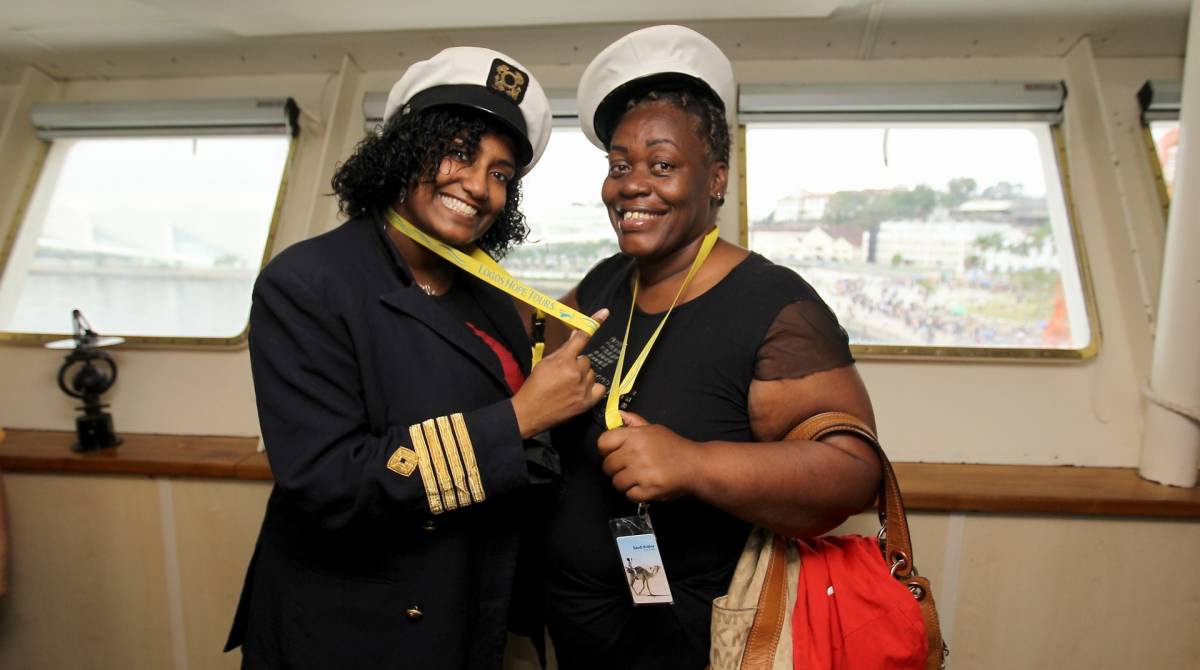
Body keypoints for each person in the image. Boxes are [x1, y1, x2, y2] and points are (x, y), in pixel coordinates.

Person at [225, 46, 606, 670]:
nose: (478, 186)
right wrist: (519, 419)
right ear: (405, 149)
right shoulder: (308, 282)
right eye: (459, 151)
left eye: (501, 173)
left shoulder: (490, 293)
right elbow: (328, 482)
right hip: (354, 629)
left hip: (471, 601)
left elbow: (515, 434)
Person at [540, 26, 883, 669]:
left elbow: (852, 472)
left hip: (696, 633)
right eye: (619, 166)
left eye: (662, 165)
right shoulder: (603, 283)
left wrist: (692, 463)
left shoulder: (776, 306)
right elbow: (542, 363)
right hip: (583, 618)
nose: (632, 186)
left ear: (716, 179)